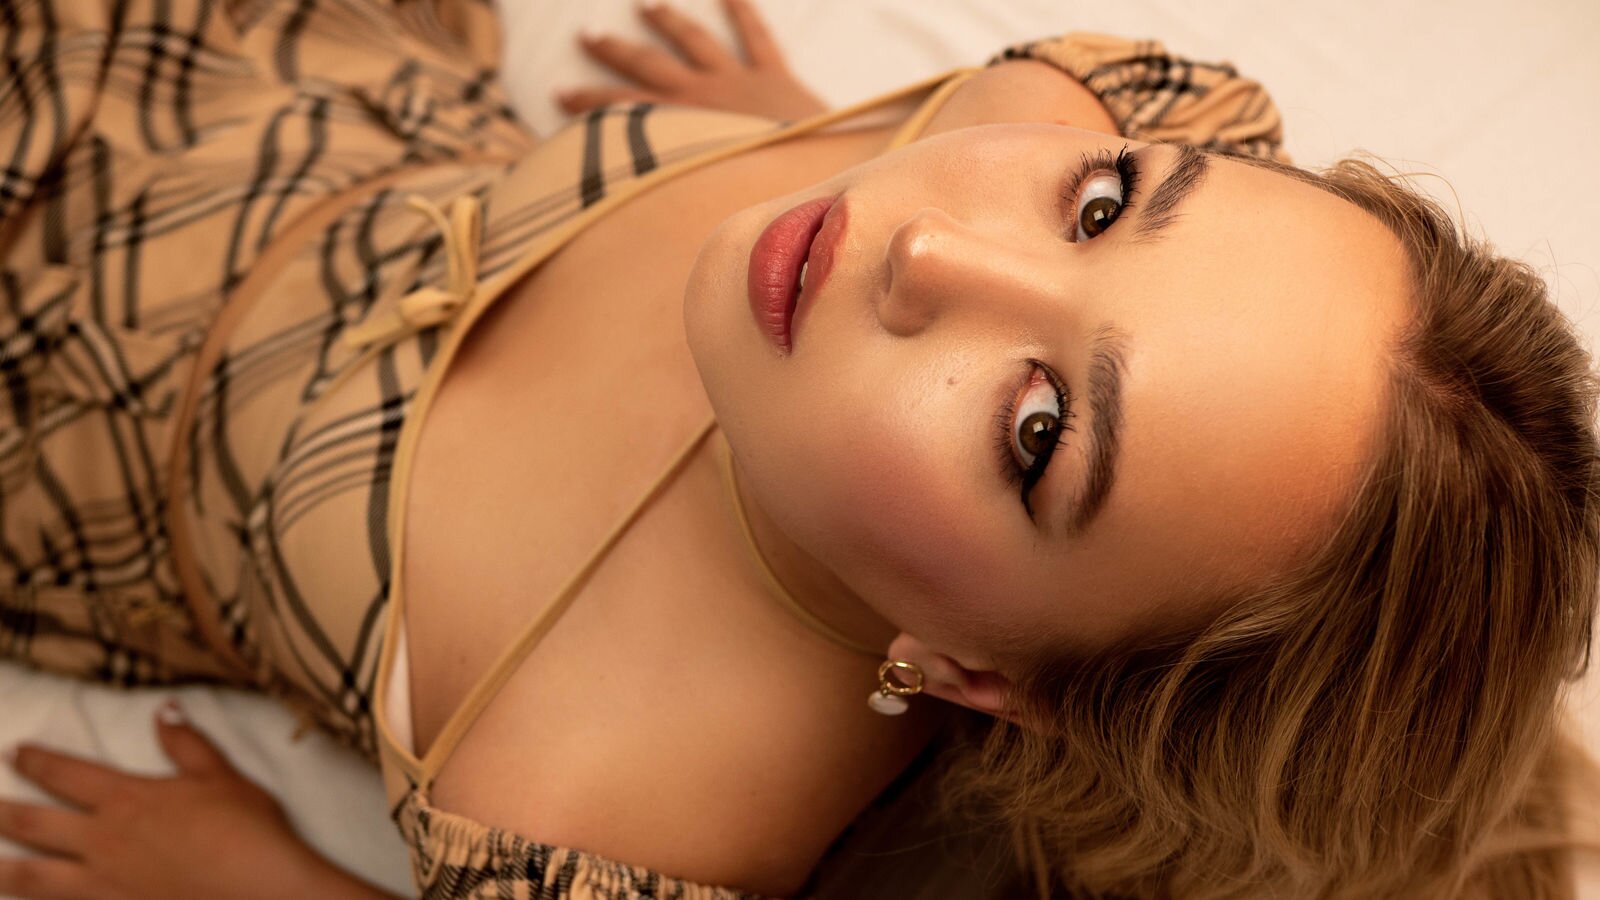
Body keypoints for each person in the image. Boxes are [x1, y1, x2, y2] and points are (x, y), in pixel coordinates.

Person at [1, 0, 1597, 897]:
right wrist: (808, 118)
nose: (926, 248)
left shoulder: (606, 817)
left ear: (985, 678)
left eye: (1038, 429)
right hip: (279, 95)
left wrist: (245, 874)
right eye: (1107, 207)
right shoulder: (1047, 109)